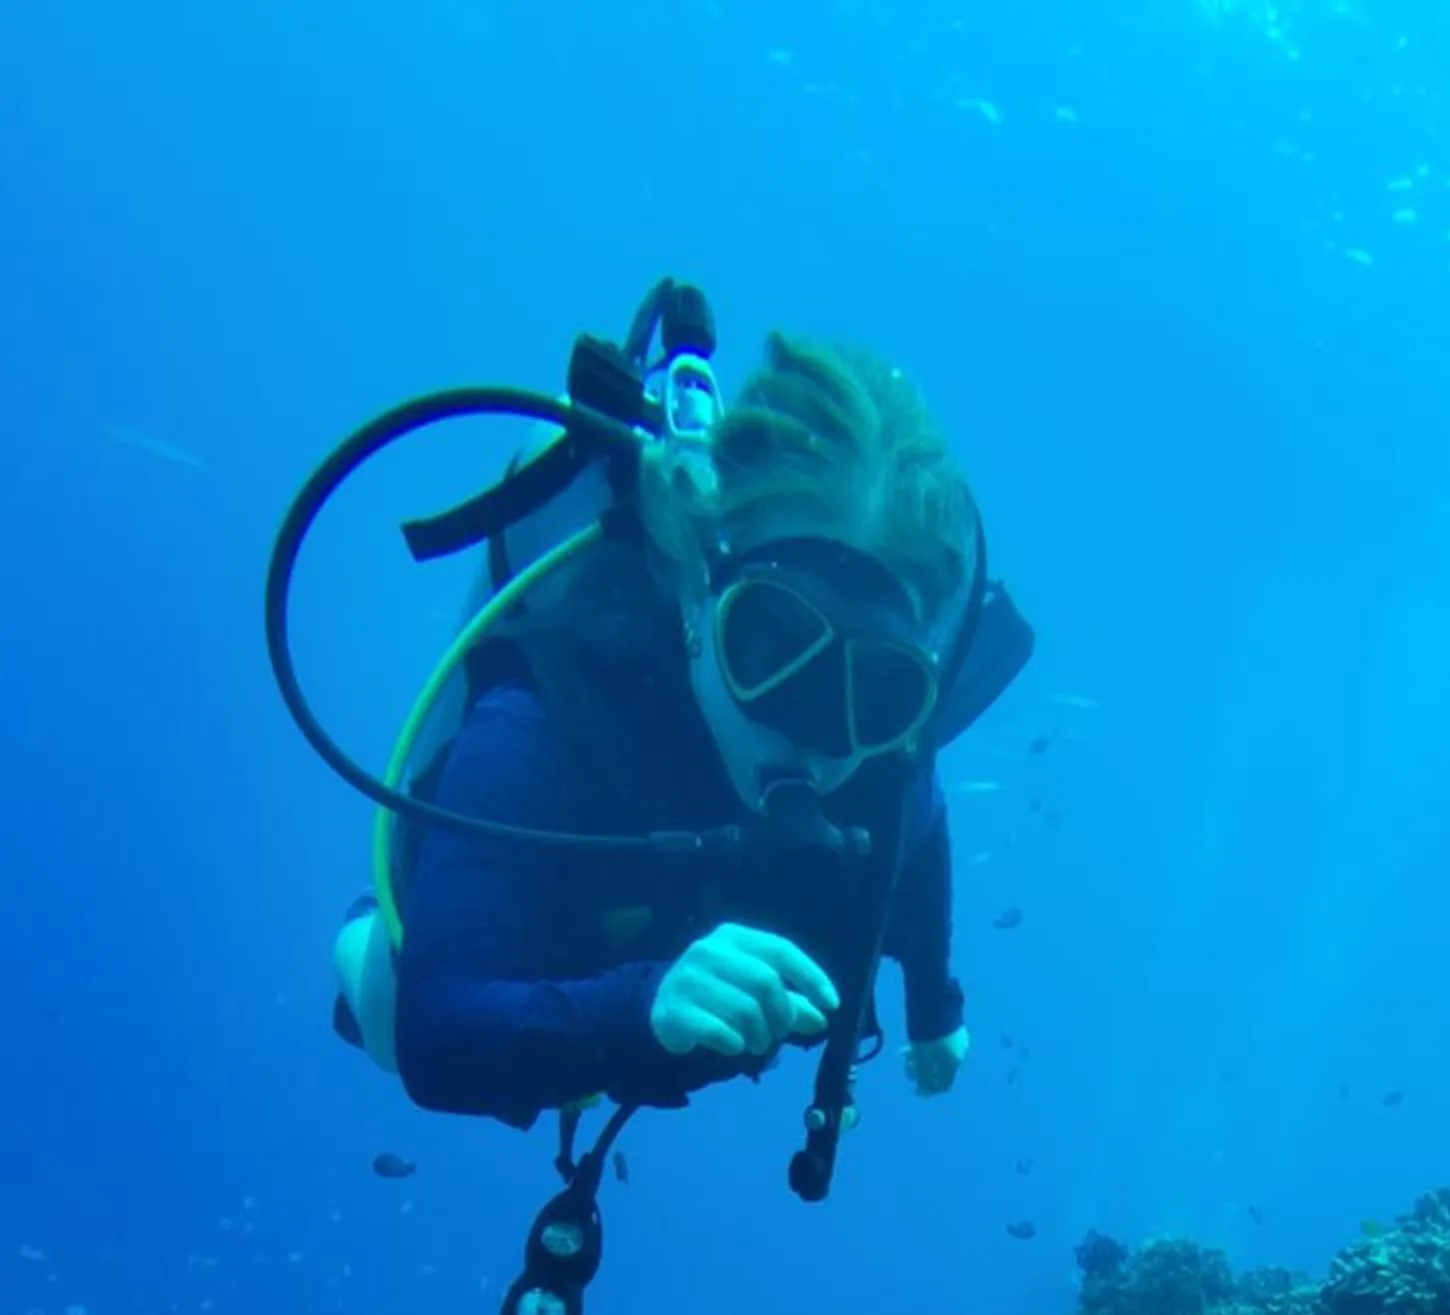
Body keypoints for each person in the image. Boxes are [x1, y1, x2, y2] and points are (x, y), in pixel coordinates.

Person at [331, 332, 986, 1130]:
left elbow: (922, 822)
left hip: (657, 947)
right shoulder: (550, 723)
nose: (813, 734)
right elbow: (436, 1040)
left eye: (878, 687)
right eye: (772, 640)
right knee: (379, 1017)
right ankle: (365, 930)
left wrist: (934, 1006)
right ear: (692, 589)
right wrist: (641, 1012)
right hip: (529, 945)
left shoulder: (885, 747)